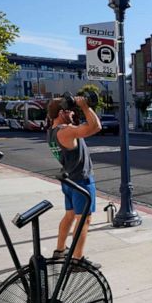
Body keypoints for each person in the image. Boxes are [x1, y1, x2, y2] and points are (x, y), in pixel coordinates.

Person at [47, 96, 100, 263]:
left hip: (69, 180)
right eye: (69, 109)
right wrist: (84, 106)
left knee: (69, 216)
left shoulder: (53, 132)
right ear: (62, 112)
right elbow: (96, 126)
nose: (72, 112)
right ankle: (78, 258)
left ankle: (60, 250)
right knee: (84, 219)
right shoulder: (66, 131)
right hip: (81, 181)